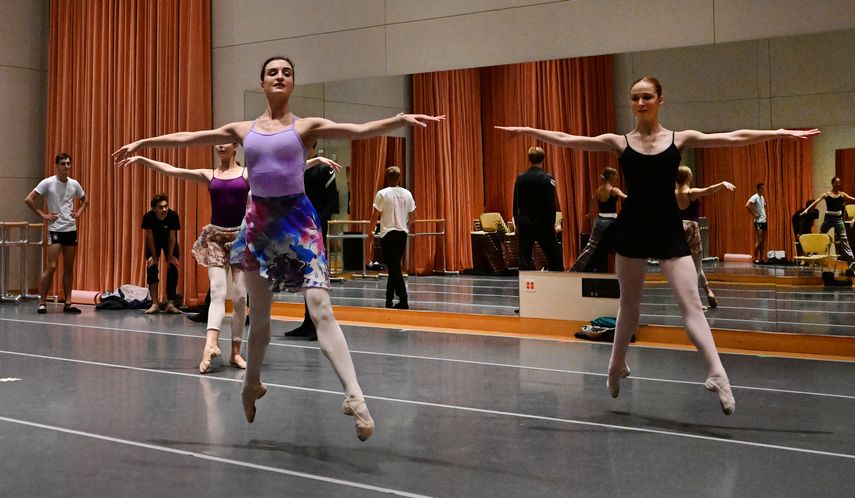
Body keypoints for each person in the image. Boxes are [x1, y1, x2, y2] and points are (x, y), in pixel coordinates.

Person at [113, 55, 445, 440]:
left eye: (287, 72)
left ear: (293, 83)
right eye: (273, 72)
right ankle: (251, 383)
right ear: (262, 83)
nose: (280, 76)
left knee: (321, 309)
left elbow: (357, 129)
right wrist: (145, 141)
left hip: (298, 223)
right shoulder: (243, 130)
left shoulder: (307, 127)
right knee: (262, 318)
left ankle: (355, 397)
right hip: (258, 224)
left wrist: (398, 121)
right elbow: (192, 137)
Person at [496, 76, 820, 415]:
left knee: (691, 305)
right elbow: (569, 140)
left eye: (647, 97)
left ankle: (717, 374)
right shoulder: (619, 142)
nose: (640, 103)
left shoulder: (680, 139)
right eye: (635, 98)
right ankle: (616, 365)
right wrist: (530, 131)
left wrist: (780, 133)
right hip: (633, 225)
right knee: (630, 307)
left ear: (660, 100)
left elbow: (734, 137)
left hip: (668, 226)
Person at [120, 143, 251, 373]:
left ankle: (236, 352)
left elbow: (279, 171)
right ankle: (210, 345)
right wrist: (143, 160)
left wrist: (314, 161)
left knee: (240, 297)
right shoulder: (209, 174)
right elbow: (172, 170)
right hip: (215, 238)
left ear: (235, 146)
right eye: (217, 142)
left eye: (225, 142)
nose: (220, 145)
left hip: (241, 238)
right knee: (218, 291)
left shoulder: (246, 173)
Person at [285, 142, 341, 340]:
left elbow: (333, 202)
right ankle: (307, 321)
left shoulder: (324, 169)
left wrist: (316, 224)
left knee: (315, 276)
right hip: (298, 227)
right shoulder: (297, 169)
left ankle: (317, 323)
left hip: (315, 228)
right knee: (304, 276)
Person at [24, 153, 89, 314]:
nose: (67, 166)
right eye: (63, 164)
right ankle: (42, 302)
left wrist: (79, 212)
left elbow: (85, 200)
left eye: (68, 163)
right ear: (57, 166)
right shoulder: (48, 183)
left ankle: (67, 302)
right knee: (52, 266)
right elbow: (29, 199)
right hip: (55, 229)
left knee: (69, 266)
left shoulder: (74, 184)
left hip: (70, 228)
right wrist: (43, 215)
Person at [675, 165, 735, 309]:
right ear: (689, 176)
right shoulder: (691, 192)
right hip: (691, 230)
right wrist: (722, 184)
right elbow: (708, 190)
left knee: (692, 266)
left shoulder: (674, 193)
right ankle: (694, 302)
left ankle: (708, 292)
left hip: (677, 229)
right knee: (695, 268)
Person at [368, 166, 416, 309]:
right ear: (399, 177)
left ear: (386, 177)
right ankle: (389, 298)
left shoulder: (382, 194)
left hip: (388, 234)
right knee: (394, 266)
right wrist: (405, 222)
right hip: (402, 233)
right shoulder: (408, 194)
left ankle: (403, 298)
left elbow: (374, 216)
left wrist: (370, 233)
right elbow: (413, 216)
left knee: (394, 267)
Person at [513, 146, 564, 271]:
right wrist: (552, 223)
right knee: (554, 256)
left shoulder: (520, 178)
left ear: (529, 159)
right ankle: (556, 282)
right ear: (543, 159)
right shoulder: (548, 178)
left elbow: (515, 202)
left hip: (525, 222)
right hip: (543, 223)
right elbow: (550, 203)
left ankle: (527, 286)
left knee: (524, 257)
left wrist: (517, 222)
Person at [570, 166, 626, 272]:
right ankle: (625, 270)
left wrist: (590, 214)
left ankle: (574, 269)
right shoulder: (614, 190)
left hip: (599, 220)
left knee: (590, 247)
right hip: (612, 222)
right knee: (621, 245)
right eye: (615, 175)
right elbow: (625, 197)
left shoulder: (599, 190)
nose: (617, 177)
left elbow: (592, 202)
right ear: (611, 176)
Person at [801, 176, 855, 270]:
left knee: (844, 239)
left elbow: (853, 199)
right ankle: (812, 254)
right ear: (832, 183)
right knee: (820, 236)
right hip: (828, 219)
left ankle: (852, 261)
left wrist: (854, 218)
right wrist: (806, 210)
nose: (838, 184)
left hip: (838, 220)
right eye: (836, 182)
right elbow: (815, 202)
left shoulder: (842, 195)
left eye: (839, 182)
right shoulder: (826, 195)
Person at [141, 193, 182, 314]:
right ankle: (155, 304)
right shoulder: (148, 217)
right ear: (154, 209)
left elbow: (172, 237)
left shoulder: (173, 216)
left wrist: (169, 257)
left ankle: (170, 303)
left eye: (166, 206)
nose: (164, 209)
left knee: (173, 267)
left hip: (169, 242)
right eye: (160, 207)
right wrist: (154, 257)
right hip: (154, 242)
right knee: (152, 267)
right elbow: (150, 238)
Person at [746, 183, 768, 264]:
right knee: (759, 240)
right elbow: (747, 205)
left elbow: (763, 206)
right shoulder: (754, 197)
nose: (763, 190)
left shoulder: (762, 197)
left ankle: (761, 258)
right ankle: (755, 258)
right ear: (758, 189)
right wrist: (754, 214)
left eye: (764, 188)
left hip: (764, 220)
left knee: (763, 241)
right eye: (762, 188)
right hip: (758, 221)